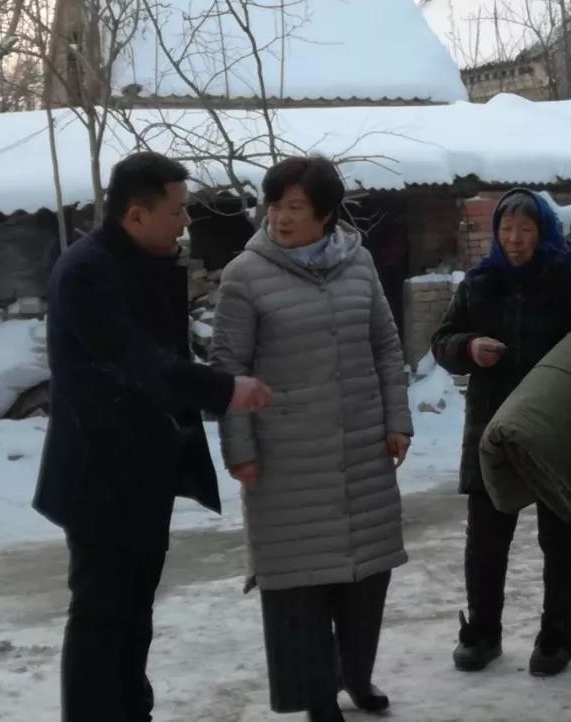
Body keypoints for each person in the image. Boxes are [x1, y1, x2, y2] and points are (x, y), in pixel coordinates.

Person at [33, 151, 272, 722]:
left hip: (142, 470)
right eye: (177, 210)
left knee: (134, 609)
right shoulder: (87, 272)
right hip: (98, 474)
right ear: (136, 214)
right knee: (101, 615)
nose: (185, 222)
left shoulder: (143, 261)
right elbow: (138, 361)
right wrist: (224, 390)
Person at [209, 155, 413, 722]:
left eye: (295, 207)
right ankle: (318, 698)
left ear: (326, 213)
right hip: (287, 459)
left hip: (362, 447)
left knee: (366, 576)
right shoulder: (245, 276)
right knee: (299, 584)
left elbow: (385, 346)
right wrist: (240, 451)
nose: (280, 217)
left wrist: (397, 420)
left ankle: (357, 675)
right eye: (274, 205)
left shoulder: (359, 262)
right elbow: (228, 369)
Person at [431, 189, 571, 677]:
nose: (514, 239)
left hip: (556, 425)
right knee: (486, 538)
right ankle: (482, 632)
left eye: (526, 229)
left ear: (544, 231)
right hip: (492, 427)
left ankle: (556, 638)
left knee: (561, 535)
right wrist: (468, 347)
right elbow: (441, 341)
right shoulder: (479, 283)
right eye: (506, 229)